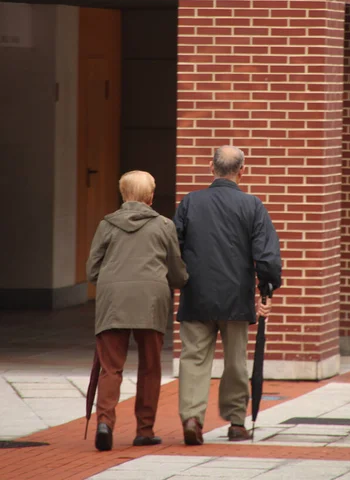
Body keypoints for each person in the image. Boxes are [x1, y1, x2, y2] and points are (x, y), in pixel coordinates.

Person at [174, 145, 282, 445]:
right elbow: (267, 256)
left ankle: (193, 417)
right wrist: (267, 288)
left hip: (196, 294)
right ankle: (236, 422)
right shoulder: (252, 206)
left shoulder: (190, 202)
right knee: (236, 361)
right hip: (236, 295)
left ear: (212, 167)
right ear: (242, 171)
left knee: (194, 358)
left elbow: (173, 246)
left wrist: (179, 279)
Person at [87, 170, 188, 452]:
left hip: (113, 300)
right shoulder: (164, 225)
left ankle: (105, 423)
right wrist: (182, 281)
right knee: (150, 367)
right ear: (150, 196)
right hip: (150, 300)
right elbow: (177, 270)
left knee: (110, 367)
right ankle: (144, 430)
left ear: (123, 194)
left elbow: (92, 270)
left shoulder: (107, 224)